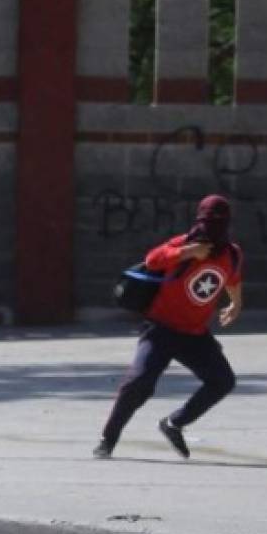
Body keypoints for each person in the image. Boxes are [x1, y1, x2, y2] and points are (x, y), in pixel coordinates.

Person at [93, 194, 243, 459]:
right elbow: (152, 260)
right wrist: (188, 252)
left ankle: (174, 423)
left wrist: (236, 304)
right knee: (139, 382)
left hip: (195, 334)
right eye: (208, 222)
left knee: (222, 381)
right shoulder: (184, 244)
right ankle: (108, 438)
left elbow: (232, 279)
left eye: (218, 223)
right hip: (160, 328)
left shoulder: (231, 253)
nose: (212, 229)